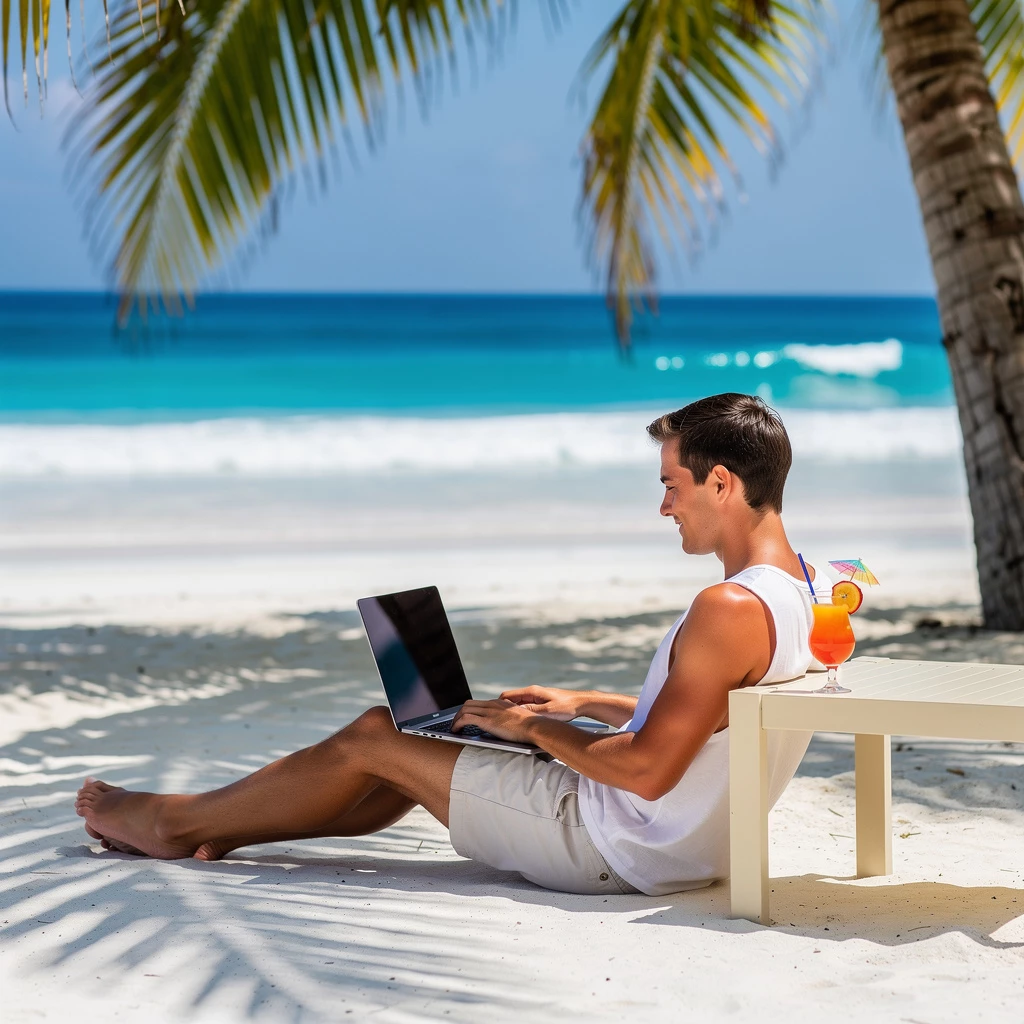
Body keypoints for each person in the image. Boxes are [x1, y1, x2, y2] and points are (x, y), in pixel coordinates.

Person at [76, 392, 818, 897]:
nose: (663, 507)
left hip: (615, 845)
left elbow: (651, 769)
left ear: (721, 483)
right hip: (683, 844)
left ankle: (175, 823)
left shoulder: (725, 604)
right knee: (414, 743)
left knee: (377, 733)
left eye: (673, 485)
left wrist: (531, 727)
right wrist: (587, 703)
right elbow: (726, 714)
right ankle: (214, 825)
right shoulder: (798, 589)